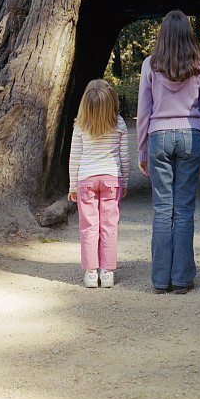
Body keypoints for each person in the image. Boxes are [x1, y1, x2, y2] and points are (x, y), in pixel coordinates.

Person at [136, 10, 200, 294]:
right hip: (191, 137)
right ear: (188, 35)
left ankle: (159, 279)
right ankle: (182, 279)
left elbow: (143, 110)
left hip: (158, 137)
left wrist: (142, 148)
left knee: (162, 209)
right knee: (183, 210)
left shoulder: (150, 65)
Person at [68, 79, 130, 288]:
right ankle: (108, 271)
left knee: (88, 226)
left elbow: (74, 157)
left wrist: (72, 186)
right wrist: (125, 182)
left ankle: (91, 272)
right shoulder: (119, 123)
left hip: (86, 180)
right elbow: (124, 157)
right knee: (109, 226)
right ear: (112, 101)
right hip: (112, 179)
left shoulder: (80, 126)